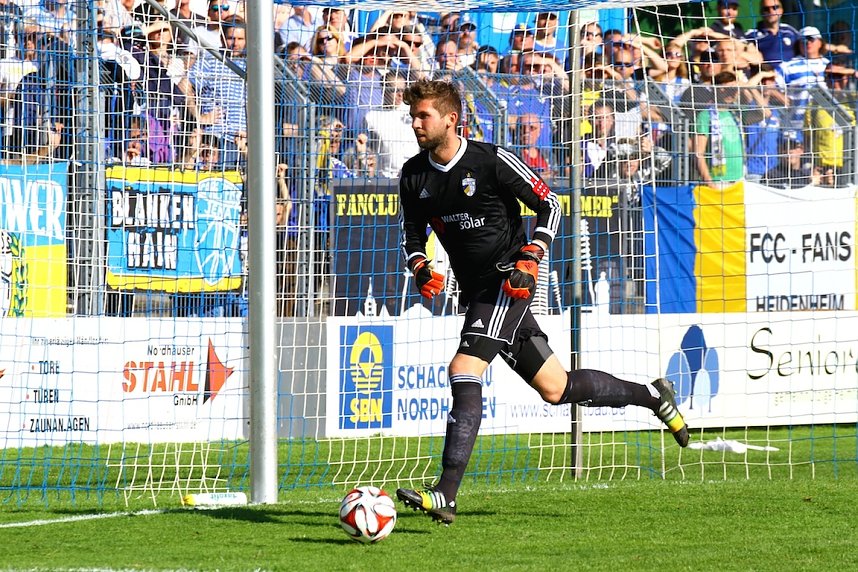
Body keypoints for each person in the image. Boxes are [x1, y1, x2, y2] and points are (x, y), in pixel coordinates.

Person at [394, 79, 689, 525]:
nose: (415, 123)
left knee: (463, 368)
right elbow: (413, 229)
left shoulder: (490, 161)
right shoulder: (414, 174)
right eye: (413, 116)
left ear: (451, 118)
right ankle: (652, 396)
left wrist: (532, 254)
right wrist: (419, 264)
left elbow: (550, 205)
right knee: (557, 388)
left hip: (508, 282)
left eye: (423, 115)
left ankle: (446, 493)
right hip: (474, 291)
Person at [744, 0, 800, 66]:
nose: (771, 11)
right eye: (766, 9)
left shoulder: (790, 30)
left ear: (781, 10)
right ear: (761, 12)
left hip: (792, 72)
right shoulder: (752, 34)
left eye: (775, 7)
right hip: (768, 73)